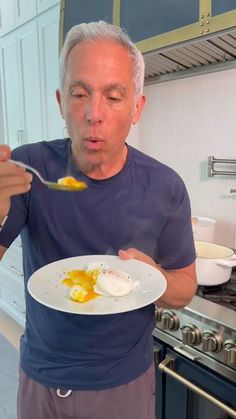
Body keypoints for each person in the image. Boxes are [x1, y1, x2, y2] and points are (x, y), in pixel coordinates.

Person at [0, 21, 197, 419]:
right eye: (79, 93)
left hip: (123, 384)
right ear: (60, 102)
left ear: (137, 107)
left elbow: (184, 289)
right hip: (41, 375)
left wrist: (153, 276)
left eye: (113, 96)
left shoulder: (165, 186)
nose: (93, 114)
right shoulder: (28, 168)